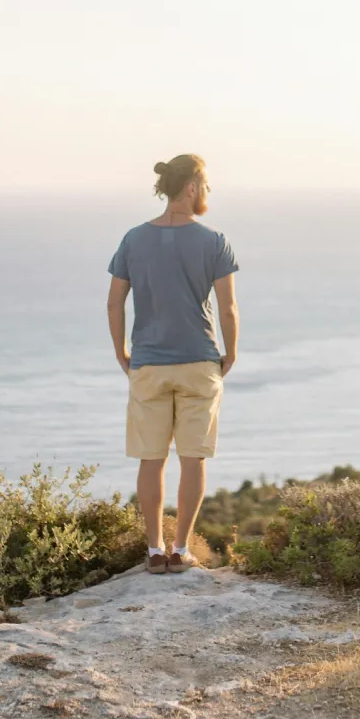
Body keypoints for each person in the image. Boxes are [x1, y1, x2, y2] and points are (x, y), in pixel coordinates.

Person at [106, 153, 239, 574]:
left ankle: (153, 550)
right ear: (192, 188)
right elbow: (228, 307)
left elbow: (114, 303)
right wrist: (230, 352)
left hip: (147, 364)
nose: (208, 193)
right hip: (200, 360)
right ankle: (181, 548)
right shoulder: (214, 240)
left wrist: (122, 353)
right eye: (207, 185)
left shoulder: (133, 239)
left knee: (151, 459)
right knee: (193, 459)